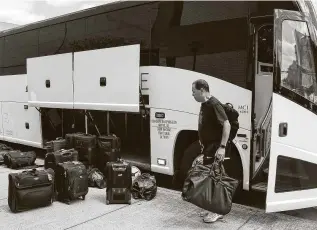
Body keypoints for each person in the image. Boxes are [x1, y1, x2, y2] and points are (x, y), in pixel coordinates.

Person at [191, 79, 231, 223]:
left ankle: (217, 211)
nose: (192, 95)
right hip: (209, 148)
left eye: (194, 92)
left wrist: (222, 147)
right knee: (211, 178)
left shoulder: (214, 104)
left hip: (216, 148)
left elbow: (227, 124)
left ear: (202, 90)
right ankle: (212, 207)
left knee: (216, 180)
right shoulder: (205, 104)